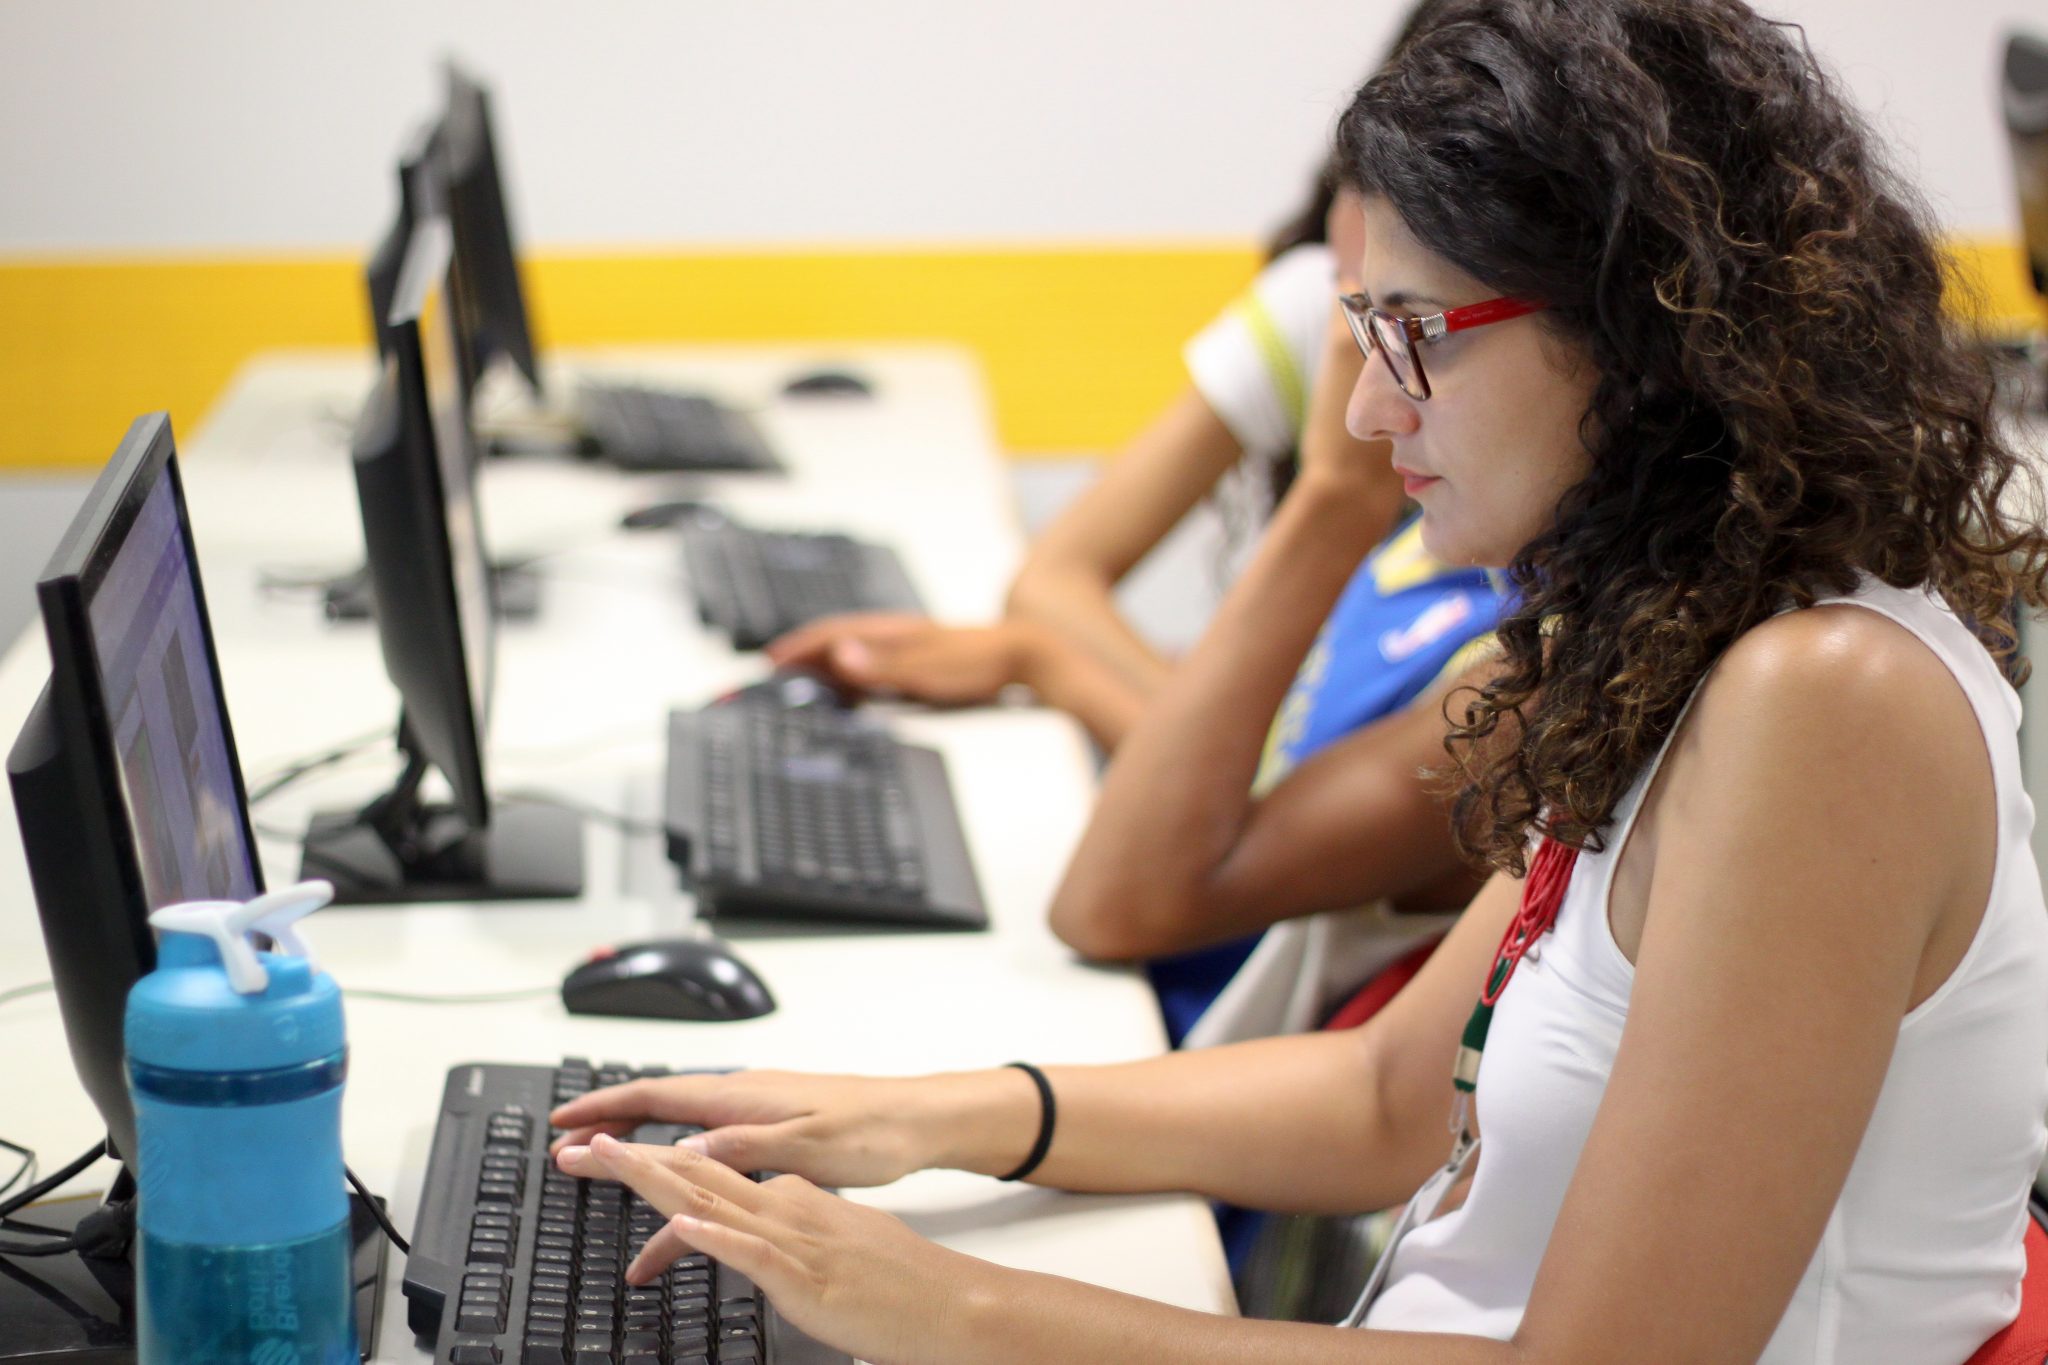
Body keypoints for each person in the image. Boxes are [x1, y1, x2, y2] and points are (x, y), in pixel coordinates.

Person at [550, 1, 2048, 1358]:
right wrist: (918, 1116)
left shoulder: (1825, 705)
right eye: (1359, 333)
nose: (1368, 411)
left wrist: (949, 1306)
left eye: (1414, 337)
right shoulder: (1678, 636)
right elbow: (1390, 1095)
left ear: (1641, 331)